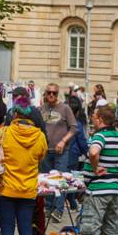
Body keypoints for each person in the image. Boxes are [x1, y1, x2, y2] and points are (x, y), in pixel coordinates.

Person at [0, 95, 48, 235]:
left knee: (7, 229)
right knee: (26, 229)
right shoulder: (40, 136)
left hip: (6, 187)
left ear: (15, 113)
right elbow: (41, 157)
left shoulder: (4, 132)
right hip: (28, 188)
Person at [80, 105, 118, 235]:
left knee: (91, 228)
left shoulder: (100, 136)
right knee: (111, 229)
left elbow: (94, 152)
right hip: (114, 188)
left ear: (100, 119)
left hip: (98, 189)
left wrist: (95, 168)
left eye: (94, 118)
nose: (93, 121)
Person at [40, 83, 76, 217]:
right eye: (49, 92)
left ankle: (59, 210)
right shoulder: (41, 109)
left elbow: (74, 128)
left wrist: (63, 141)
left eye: (54, 93)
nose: (51, 95)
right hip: (45, 150)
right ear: (45, 93)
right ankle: (49, 207)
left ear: (57, 94)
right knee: (47, 180)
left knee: (60, 179)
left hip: (62, 151)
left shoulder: (65, 108)